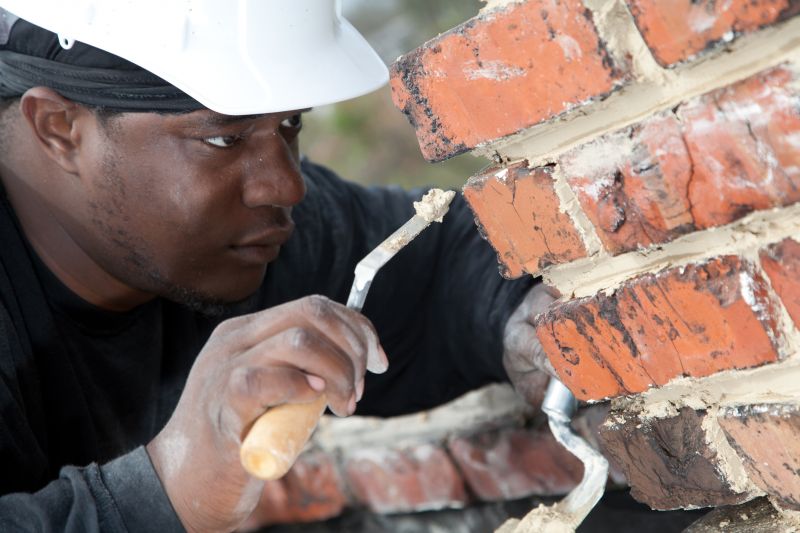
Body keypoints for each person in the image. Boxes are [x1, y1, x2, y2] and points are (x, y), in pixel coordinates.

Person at [0, 2, 552, 531]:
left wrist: (523, 322)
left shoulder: (241, 238)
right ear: (59, 126)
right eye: (223, 137)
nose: (286, 185)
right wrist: (170, 486)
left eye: (290, 123)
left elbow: (439, 262)